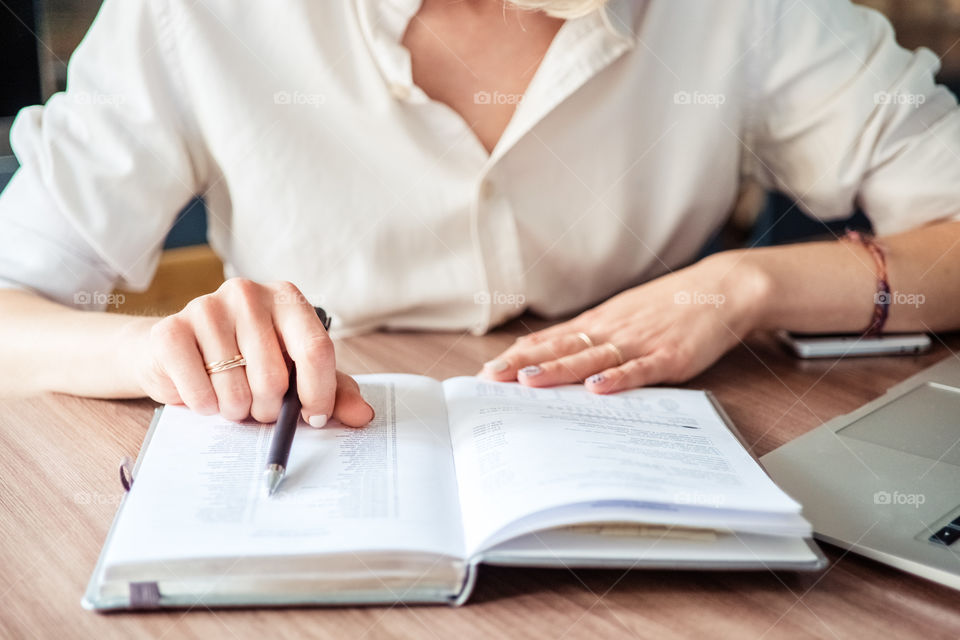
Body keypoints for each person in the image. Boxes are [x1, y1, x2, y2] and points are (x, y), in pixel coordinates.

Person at [1, 0, 959, 429]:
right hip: (330, 450)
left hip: (634, 452)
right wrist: (157, 350)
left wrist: (741, 287)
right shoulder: (195, 16)